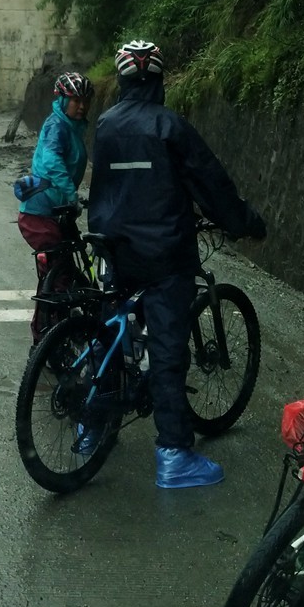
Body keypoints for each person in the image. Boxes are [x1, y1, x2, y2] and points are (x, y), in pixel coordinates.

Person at [89, 40, 267, 490]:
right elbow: (211, 184)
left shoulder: (105, 125)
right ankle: (174, 455)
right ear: (159, 81)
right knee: (168, 348)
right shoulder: (170, 126)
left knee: (109, 333)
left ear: (124, 80)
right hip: (164, 254)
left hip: (114, 248)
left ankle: (92, 423)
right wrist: (243, 222)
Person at [17, 71, 92, 343]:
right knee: (57, 278)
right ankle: (47, 339)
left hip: (54, 211)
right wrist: (71, 195)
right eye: (75, 100)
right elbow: (50, 162)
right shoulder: (57, 126)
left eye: (85, 101)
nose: (81, 106)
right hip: (39, 213)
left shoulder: (71, 127)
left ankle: (55, 332)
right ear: (62, 100)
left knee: (63, 272)